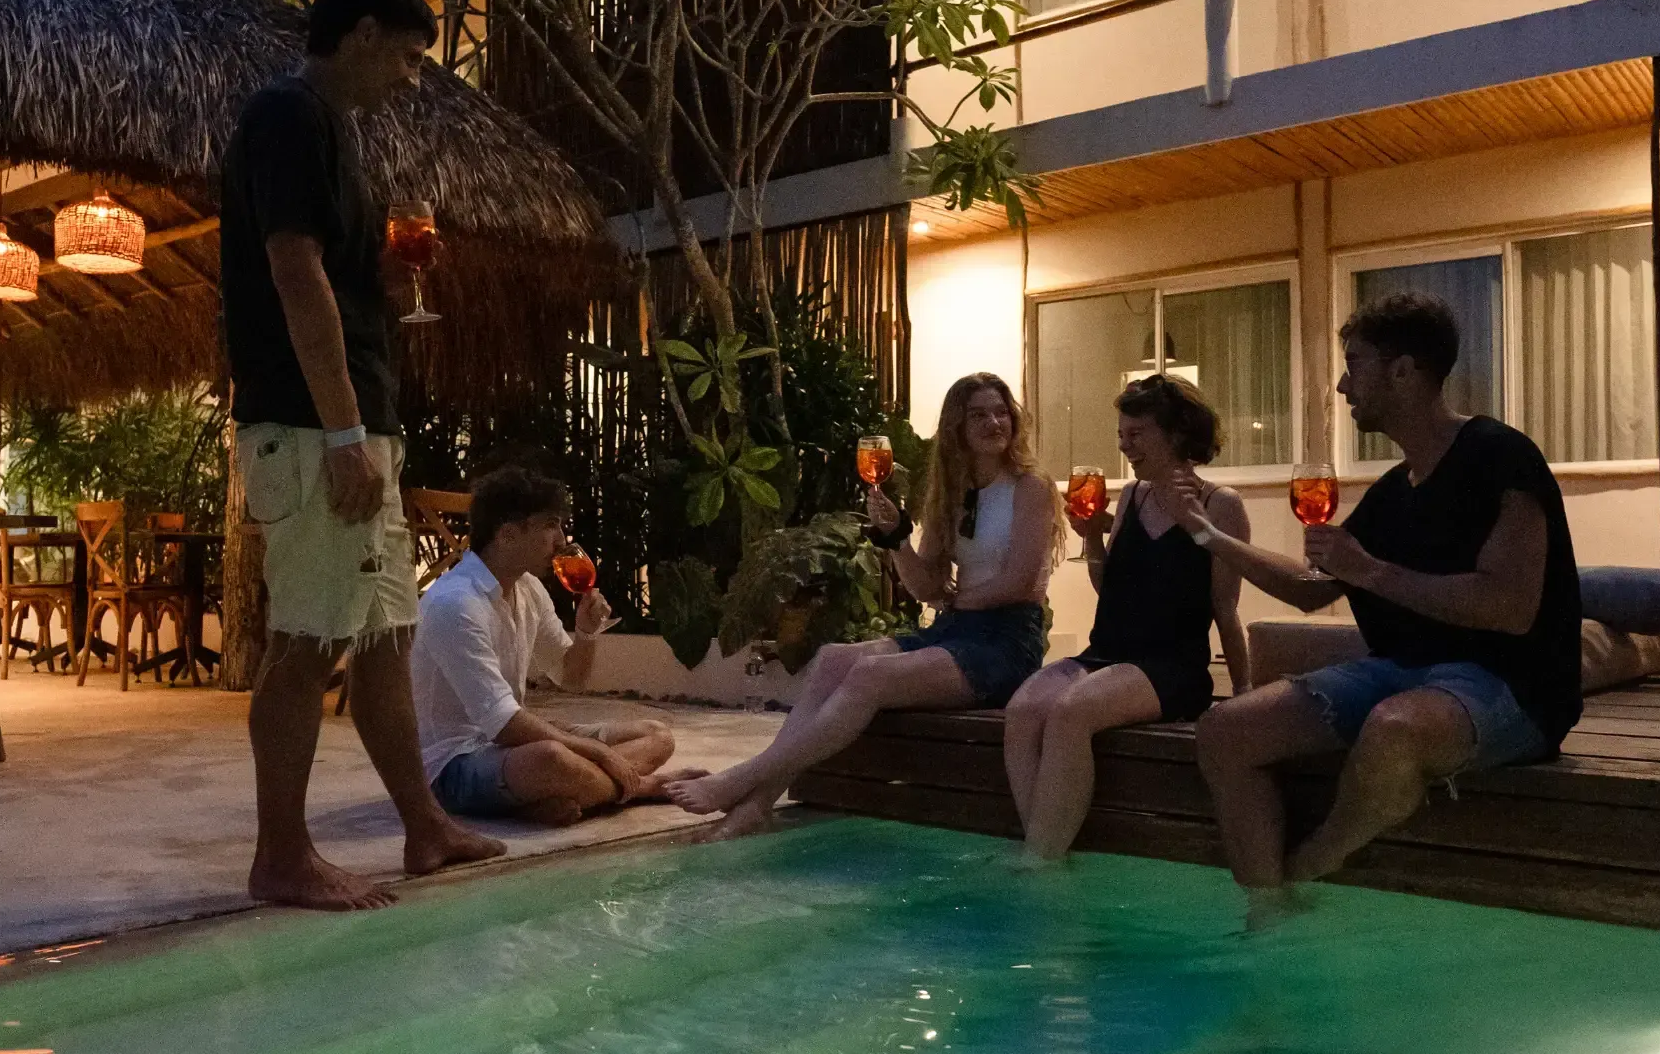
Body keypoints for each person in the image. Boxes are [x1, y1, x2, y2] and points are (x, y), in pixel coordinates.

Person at [221, 0, 504, 910]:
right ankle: (281, 855)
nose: (411, 79)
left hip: (354, 424)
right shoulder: (286, 116)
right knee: (306, 640)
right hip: (313, 426)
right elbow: (294, 273)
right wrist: (343, 430)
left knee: (385, 634)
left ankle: (425, 826)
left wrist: (387, 276)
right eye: (410, 58)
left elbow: (336, 276)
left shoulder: (333, 132)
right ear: (363, 34)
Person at [1186, 291, 1581, 894]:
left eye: (1354, 364)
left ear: (1403, 371)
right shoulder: (1395, 489)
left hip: (1512, 686)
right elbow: (1311, 590)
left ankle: (1313, 865)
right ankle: (1266, 910)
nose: (1343, 386)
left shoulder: (1500, 456)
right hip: (1402, 672)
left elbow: (1509, 607)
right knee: (1224, 731)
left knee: (1393, 731)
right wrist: (1207, 534)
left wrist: (1371, 572)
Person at [668, 372, 1059, 839]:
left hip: (1007, 640)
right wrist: (896, 538)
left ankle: (744, 778)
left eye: (1001, 412)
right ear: (957, 427)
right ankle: (758, 802)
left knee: (872, 675)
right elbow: (926, 587)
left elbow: (1020, 583)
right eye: (979, 415)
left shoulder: (1031, 488)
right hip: (957, 631)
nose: (994, 422)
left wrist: (960, 600)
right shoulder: (952, 492)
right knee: (833, 658)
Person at [1004, 373, 1249, 863]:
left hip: (1171, 666)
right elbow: (1110, 588)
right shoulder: (1133, 497)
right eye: (1121, 434)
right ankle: (1045, 846)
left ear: (1175, 433)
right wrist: (1093, 538)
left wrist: (1242, 694)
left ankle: (1039, 861)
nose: (1124, 446)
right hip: (1108, 653)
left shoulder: (1219, 505)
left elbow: (1225, 608)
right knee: (1023, 709)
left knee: (1072, 711)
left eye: (1136, 434)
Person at [411, 466, 686, 826]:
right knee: (551, 759)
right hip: (453, 766)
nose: (561, 540)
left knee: (656, 735)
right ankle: (642, 787)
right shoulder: (456, 604)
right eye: (550, 525)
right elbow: (504, 724)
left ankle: (551, 796)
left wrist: (585, 633)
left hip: (508, 747)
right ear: (508, 534)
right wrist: (599, 753)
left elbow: (571, 677)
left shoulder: (528, 589)